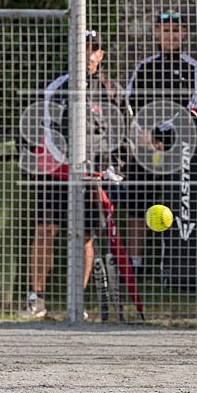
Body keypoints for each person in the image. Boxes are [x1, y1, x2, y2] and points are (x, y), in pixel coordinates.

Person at [27, 29, 121, 318]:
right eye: (83, 49)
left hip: (91, 176)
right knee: (46, 229)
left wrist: (103, 168)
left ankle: (76, 304)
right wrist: (70, 163)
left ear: (101, 55)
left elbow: (119, 132)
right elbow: (46, 131)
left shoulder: (111, 89)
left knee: (86, 237)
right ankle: (36, 299)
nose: (89, 55)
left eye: (94, 50)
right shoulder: (56, 86)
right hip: (55, 171)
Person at [121, 8, 197, 273]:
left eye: (176, 31)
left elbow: (191, 107)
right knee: (137, 203)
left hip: (176, 145)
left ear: (184, 34)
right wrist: (144, 135)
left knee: (179, 203)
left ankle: (177, 264)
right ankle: (135, 264)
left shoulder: (192, 67)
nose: (170, 36)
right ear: (156, 33)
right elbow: (129, 105)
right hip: (144, 145)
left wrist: (160, 135)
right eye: (165, 30)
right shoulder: (144, 66)